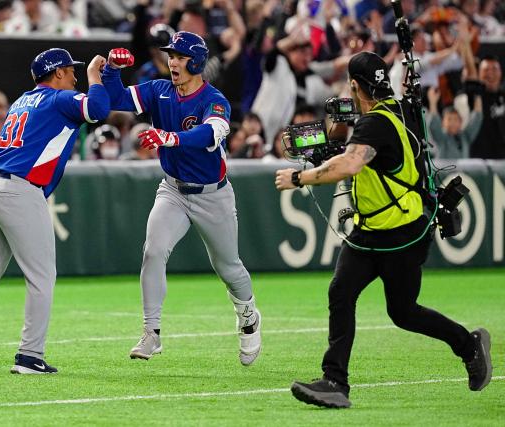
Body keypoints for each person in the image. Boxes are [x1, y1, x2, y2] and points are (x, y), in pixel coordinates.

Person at [275, 51, 492, 408]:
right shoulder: (402, 108)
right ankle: (334, 382)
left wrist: (301, 177)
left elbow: (350, 163)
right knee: (341, 292)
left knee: (403, 312)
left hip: (400, 234)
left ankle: (468, 345)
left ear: (356, 86)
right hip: (372, 230)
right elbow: (361, 154)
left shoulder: (374, 123)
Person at [0, 48, 110, 374]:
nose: (75, 76)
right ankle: (30, 355)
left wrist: (103, 80)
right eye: (71, 71)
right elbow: (97, 108)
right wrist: (97, 77)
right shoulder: (58, 99)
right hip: (19, 189)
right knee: (42, 275)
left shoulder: (23, 100)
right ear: (57, 73)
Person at [102, 31, 262, 365]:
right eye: (171, 56)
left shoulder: (213, 98)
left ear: (197, 62)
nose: (173, 62)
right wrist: (112, 71)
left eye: (179, 56)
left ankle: (248, 316)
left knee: (228, 267)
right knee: (154, 250)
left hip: (212, 195)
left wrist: (170, 137)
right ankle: (151, 332)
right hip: (173, 188)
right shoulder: (159, 90)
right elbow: (115, 99)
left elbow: (211, 131)